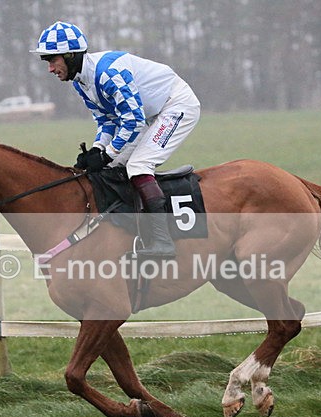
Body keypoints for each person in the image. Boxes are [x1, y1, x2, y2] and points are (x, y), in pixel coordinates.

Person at [32, 21, 201, 258]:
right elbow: (107, 121)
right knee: (109, 167)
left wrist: (107, 154)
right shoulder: (81, 82)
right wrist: (98, 149)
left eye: (52, 60)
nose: (50, 68)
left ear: (70, 55)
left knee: (138, 165)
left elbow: (132, 120)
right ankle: (127, 231)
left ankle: (163, 241)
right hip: (148, 114)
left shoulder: (107, 74)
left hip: (176, 105)